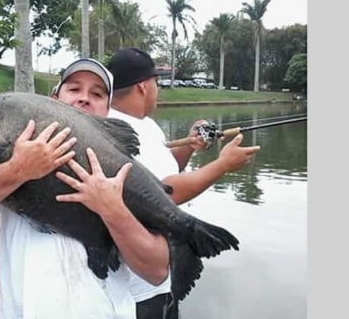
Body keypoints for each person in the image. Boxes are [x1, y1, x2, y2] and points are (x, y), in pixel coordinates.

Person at [0, 57, 170, 318]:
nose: (84, 98)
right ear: (53, 99)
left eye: (97, 93)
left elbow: (157, 271)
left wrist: (113, 210)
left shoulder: (124, 174)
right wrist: (17, 170)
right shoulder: (16, 155)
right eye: (74, 88)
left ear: (107, 111)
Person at [104, 47, 261, 319]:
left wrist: (190, 145)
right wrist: (222, 165)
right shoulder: (118, 129)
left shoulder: (146, 125)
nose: (158, 89)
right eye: (157, 82)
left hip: (159, 278)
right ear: (143, 86)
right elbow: (161, 196)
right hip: (139, 291)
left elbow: (165, 171)